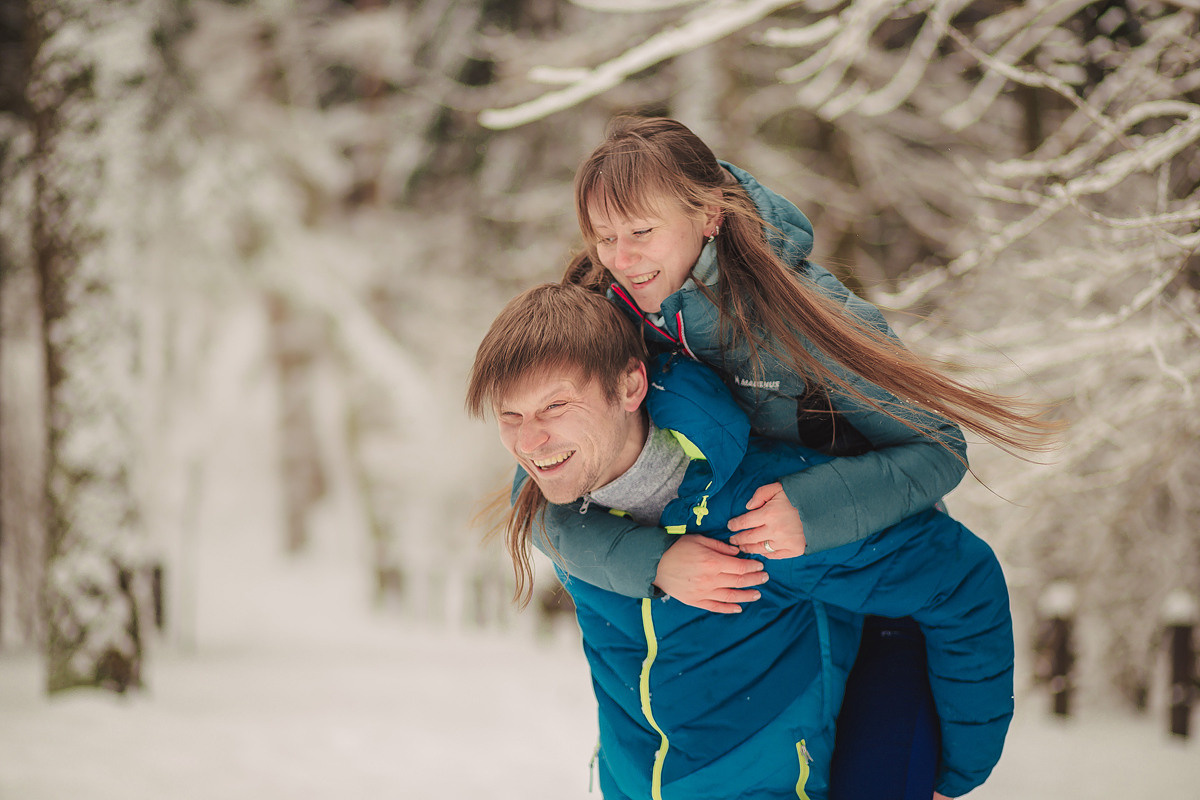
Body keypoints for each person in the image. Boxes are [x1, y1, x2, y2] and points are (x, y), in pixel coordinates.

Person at [467, 282, 1015, 800]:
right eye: (510, 415)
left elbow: (962, 582)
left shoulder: (764, 509)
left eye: (555, 407)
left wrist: (956, 769)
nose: (530, 440)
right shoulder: (569, 505)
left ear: (631, 385)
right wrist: (654, 562)